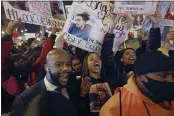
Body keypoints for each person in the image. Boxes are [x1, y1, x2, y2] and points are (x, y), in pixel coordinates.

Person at [100, 49, 174, 116]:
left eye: (173, 76)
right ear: (141, 76)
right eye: (163, 76)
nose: (171, 80)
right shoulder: (115, 108)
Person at [11, 47, 79, 116]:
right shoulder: (26, 99)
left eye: (68, 64)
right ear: (46, 67)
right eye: (58, 64)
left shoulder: (73, 85)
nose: (66, 68)